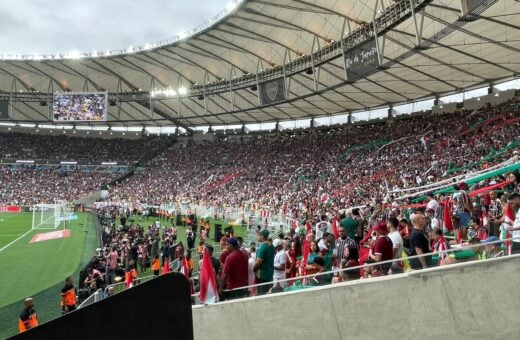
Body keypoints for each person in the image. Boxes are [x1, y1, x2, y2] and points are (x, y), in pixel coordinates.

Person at [253, 229, 275, 295]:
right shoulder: (271, 246)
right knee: (268, 293)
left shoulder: (262, 247)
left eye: (259, 235)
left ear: (262, 236)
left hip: (262, 275)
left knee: (261, 294)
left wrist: (254, 269)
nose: (258, 237)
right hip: (270, 274)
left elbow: (259, 261)